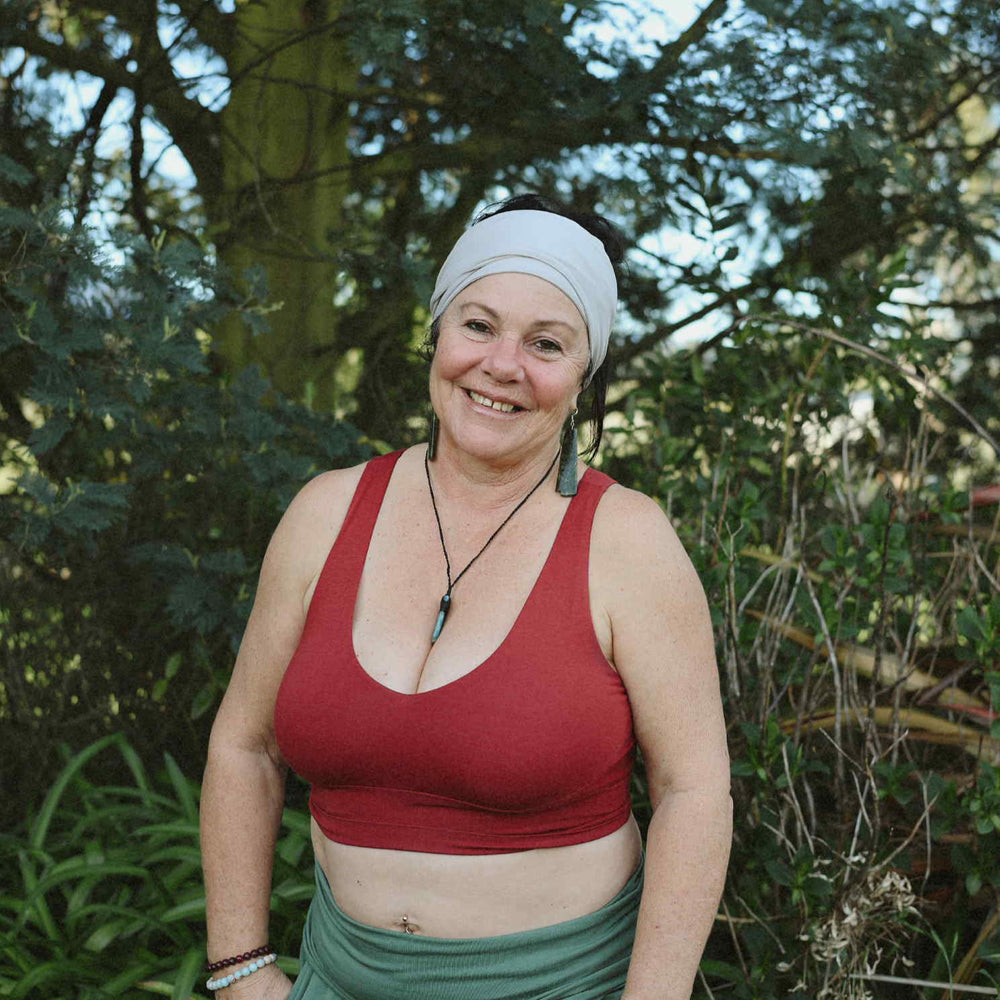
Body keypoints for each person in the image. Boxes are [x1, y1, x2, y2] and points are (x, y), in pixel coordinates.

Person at [199, 193, 732, 1000]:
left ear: (585, 374)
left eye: (546, 343)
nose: (502, 364)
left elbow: (693, 790)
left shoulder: (627, 542)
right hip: (334, 978)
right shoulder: (325, 513)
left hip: (557, 985)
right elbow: (246, 748)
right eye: (478, 325)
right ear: (438, 332)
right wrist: (240, 969)